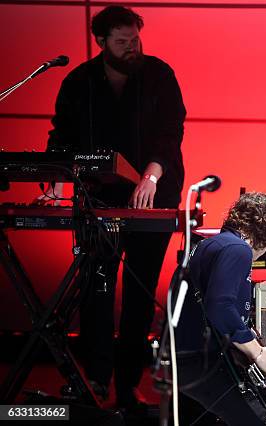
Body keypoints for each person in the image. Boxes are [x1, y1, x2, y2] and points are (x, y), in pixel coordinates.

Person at [40, 6, 186, 410]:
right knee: (96, 294)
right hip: (99, 200)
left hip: (152, 198)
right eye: (122, 42)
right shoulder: (79, 82)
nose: (131, 47)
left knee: (140, 297)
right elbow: (62, 134)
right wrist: (53, 173)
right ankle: (96, 383)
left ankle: (127, 388)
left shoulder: (159, 75)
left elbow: (171, 133)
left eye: (135, 39)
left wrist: (150, 176)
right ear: (101, 42)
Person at [175, 192, 266, 426]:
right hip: (202, 362)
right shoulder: (238, 249)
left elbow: (218, 313)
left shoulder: (211, 245)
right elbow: (220, 307)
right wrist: (258, 353)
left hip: (187, 361)